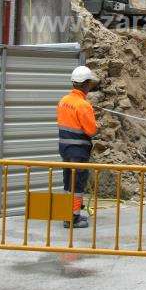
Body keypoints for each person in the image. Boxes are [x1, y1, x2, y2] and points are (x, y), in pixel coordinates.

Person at [57, 66, 99, 228]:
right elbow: (91, 130)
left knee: (68, 182)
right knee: (78, 185)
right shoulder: (83, 105)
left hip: (65, 149)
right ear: (86, 84)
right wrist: (97, 125)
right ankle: (73, 218)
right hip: (78, 151)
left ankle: (67, 213)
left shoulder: (63, 101)